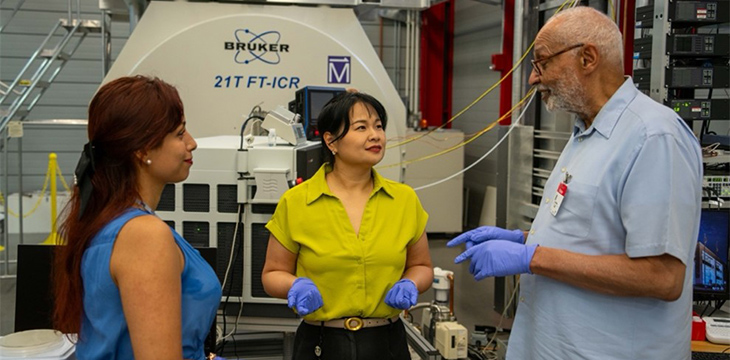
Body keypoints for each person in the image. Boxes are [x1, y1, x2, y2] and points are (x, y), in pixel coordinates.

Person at [447, 7, 702, 360]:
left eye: (542, 63)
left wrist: (532, 257)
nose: (534, 79)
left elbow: (661, 277)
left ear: (587, 57)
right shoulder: (587, 132)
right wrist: (523, 240)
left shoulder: (654, 137)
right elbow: (593, 237)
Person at [53, 76, 222, 360]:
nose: (191, 143)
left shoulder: (112, 220)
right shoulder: (143, 234)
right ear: (143, 150)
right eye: (180, 134)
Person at [262, 92, 433, 360]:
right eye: (361, 127)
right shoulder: (297, 202)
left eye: (378, 126)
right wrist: (294, 286)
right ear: (331, 141)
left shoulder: (404, 200)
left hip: (387, 343)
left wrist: (411, 283)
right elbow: (272, 274)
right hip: (320, 343)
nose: (375, 135)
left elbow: (421, 266)